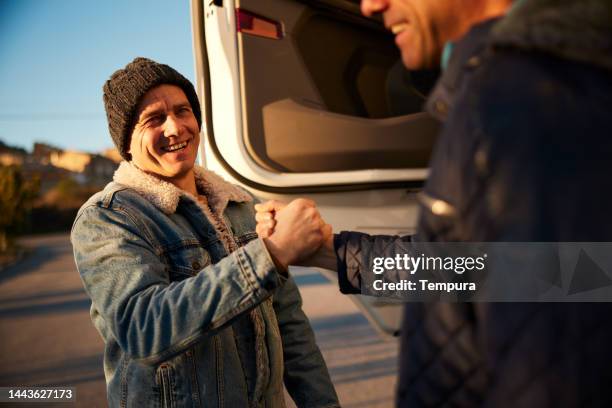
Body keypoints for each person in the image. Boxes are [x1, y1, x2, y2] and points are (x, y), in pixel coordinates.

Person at [256, 0, 612, 406]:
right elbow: (490, 272)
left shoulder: (526, 96)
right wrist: (330, 250)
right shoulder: (507, 89)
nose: (372, 5)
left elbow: (562, 325)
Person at [70, 57, 339, 408]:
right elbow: (143, 327)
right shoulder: (107, 219)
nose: (175, 128)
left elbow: (292, 329)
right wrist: (268, 255)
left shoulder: (242, 206)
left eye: (183, 111)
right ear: (126, 142)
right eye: (154, 119)